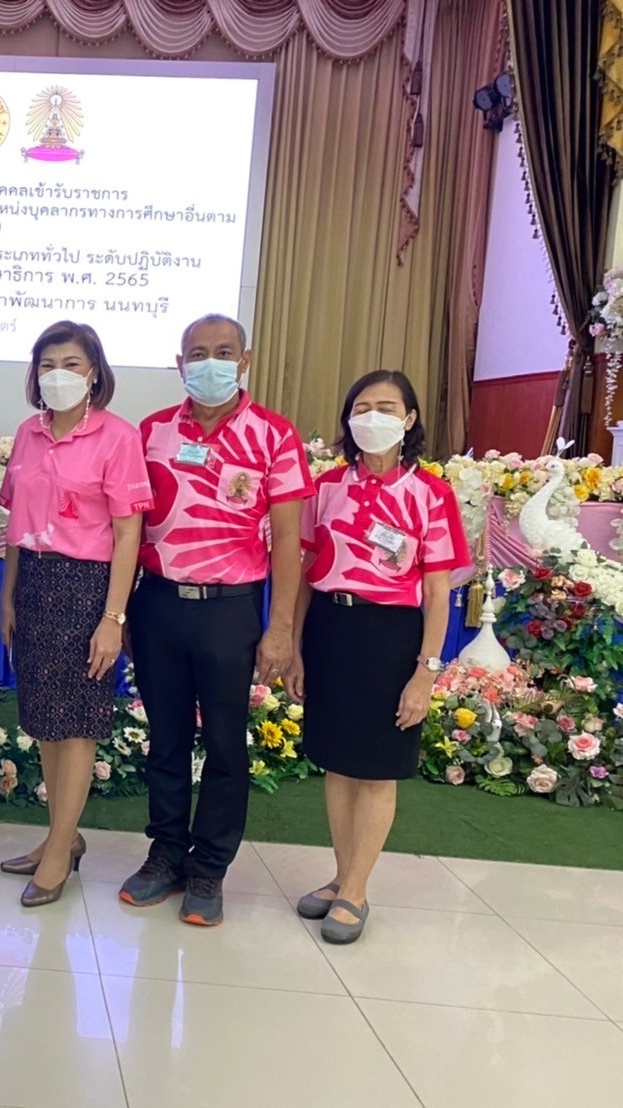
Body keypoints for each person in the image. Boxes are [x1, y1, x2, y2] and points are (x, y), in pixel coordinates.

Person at [121, 313, 313, 927]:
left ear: (244, 361)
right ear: (181, 364)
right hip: (158, 603)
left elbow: (289, 542)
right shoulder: (151, 432)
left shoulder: (274, 436)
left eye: (223, 352)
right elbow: (128, 529)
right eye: (198, 353)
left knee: (227, 745)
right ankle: (166, 855)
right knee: (167, 739)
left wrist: (280, 628)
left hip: (231, 610)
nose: (210, 363)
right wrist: (121, 612)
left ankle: (209, 868)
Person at [288, 371, 467, 943]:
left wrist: (425, 672)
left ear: (409, 419)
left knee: (377, 768)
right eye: (361, 407)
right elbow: (305, 575)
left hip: (391, 637)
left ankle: (358, 891)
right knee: (338, 762)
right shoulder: (326, 488)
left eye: (386, 407)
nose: (372, 417)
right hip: (331, 629)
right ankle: (343, 878)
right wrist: (294, 646)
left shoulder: (431, 494)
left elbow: (437, 592)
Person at [0, 321, 152, 908]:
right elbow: (15, 523)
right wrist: (8, 596)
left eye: (70, 363)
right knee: (44, 720)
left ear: (94, 372)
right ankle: (60, 835)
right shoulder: (27, 433)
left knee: (77, 723)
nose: (57, 374)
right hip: (34, 584)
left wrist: (113, 618)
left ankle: (60, 851)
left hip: (87, 589)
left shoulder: (117, 436)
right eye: (47, 364)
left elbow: (128, 533)